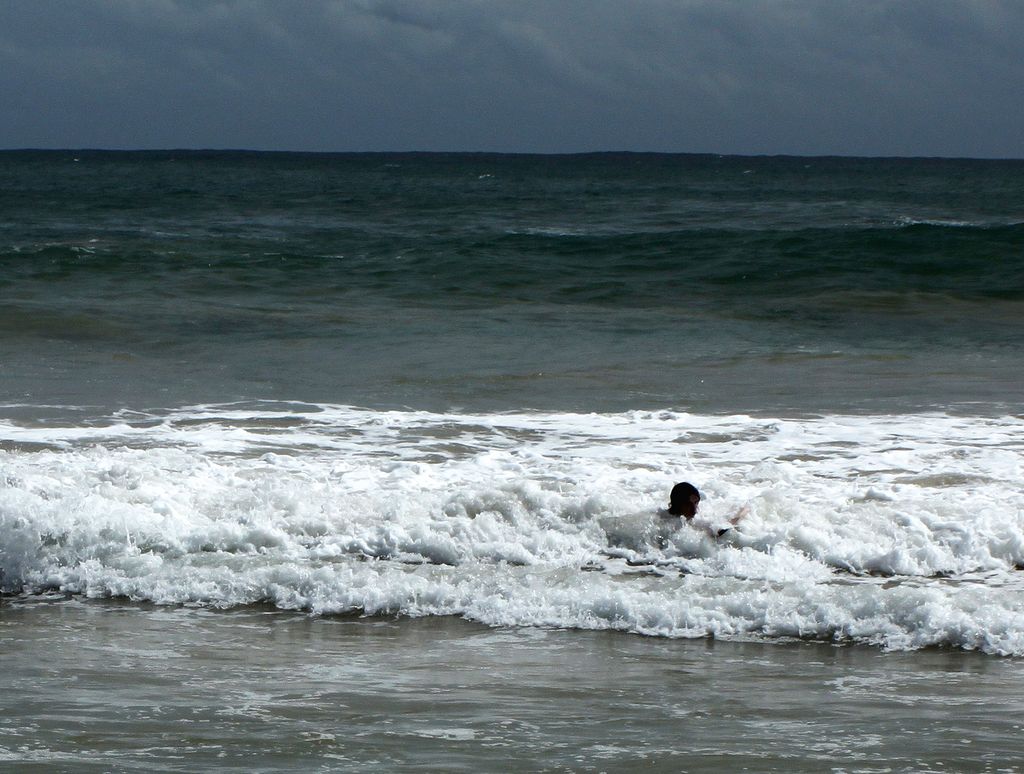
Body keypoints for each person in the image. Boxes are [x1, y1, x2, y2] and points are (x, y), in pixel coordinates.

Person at [663, 481, 747, 538]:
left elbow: (718, 531)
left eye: (696, 502)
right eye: (688, 504)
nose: (694, 509)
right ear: (678, 503)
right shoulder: (662, 521)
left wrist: (740, 514)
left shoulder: (696, 521)